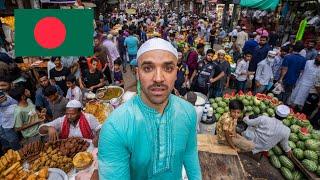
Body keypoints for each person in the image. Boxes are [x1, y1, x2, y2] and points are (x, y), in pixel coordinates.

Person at [98, 38, 201, 179]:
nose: (158, 78)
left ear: (176, 73)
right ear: (137, 73)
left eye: (168, 68)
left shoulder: (188, 112)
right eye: (148, 68)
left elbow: (190, 154)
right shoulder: (115, 127)